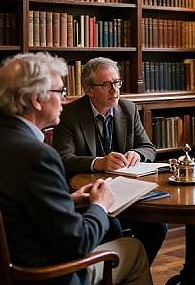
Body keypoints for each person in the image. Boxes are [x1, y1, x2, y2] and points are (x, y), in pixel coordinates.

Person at [0, 52, 152, 285]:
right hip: (42, 277)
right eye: (60, 92)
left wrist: (69, 199)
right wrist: (100, 205)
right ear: (37, 99)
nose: (65, 101)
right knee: (134, 249)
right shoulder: (39, 157)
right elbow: (78, 243)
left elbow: (18, 206)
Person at [53, 57, 167, 265]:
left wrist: (137, 154)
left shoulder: (128, 109)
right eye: (106, 84)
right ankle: (117, 273)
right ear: (88, 89)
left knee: (158, 226)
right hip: (88, 195)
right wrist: (98, 162)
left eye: (117, 82)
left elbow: (148, 148)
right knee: (111, 225)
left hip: (126, 192)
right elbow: (62, 159)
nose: (114, 90)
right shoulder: (70, 115)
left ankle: (131, 270)